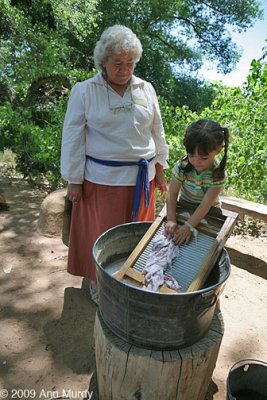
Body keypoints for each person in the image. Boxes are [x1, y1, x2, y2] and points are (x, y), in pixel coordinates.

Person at [61, 25, 169, 302]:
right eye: (117, 63)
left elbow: (157, 129)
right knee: (103, 236)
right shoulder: (85, 91)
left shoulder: (146, 89)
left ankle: (131, 282)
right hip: (101, 181)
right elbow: (73, 136)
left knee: (137, 237)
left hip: (141, 180)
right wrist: (74, 178)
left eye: (130, 63)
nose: (124, 69)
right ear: (103, 62)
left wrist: (160, 168)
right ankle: (101, 285)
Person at [165, 118, 229, 245]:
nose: (196, 161)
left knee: (203, 246)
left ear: (218, 150)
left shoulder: (217, 175)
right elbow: (172, 194)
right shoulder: (182, 167)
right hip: (184, 206)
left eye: (204, 157)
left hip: (210, 213)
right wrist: (171, 220)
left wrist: (189, 226)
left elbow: (205, 204)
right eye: (191, 155)